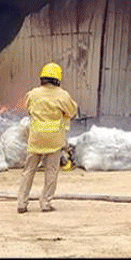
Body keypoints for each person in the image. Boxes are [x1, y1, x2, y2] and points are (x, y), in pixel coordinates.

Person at [17, 62, 78, 214]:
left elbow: (29, 110)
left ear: (42, 78)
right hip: (54, 140)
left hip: (36, 139)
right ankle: (45, 203)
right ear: (58, 79)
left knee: (28, 171)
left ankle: (21, 203)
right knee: (51, 172)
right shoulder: (63, 95)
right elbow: (72, 112)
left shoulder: (32, 94)